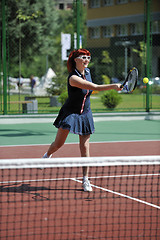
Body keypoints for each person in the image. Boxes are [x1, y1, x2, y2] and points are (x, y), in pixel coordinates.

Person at [42, 48, 122, 192]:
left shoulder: (89, 72)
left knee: (84, 147)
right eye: (83, 57)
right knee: (58, 144)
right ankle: (47, 155)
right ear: (75, 60)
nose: (86, 60)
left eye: (88, 57)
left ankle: (85, 179)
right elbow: (94, 87)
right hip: (70, 113)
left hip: (85, 114)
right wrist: (113, 86)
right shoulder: (73, 78)